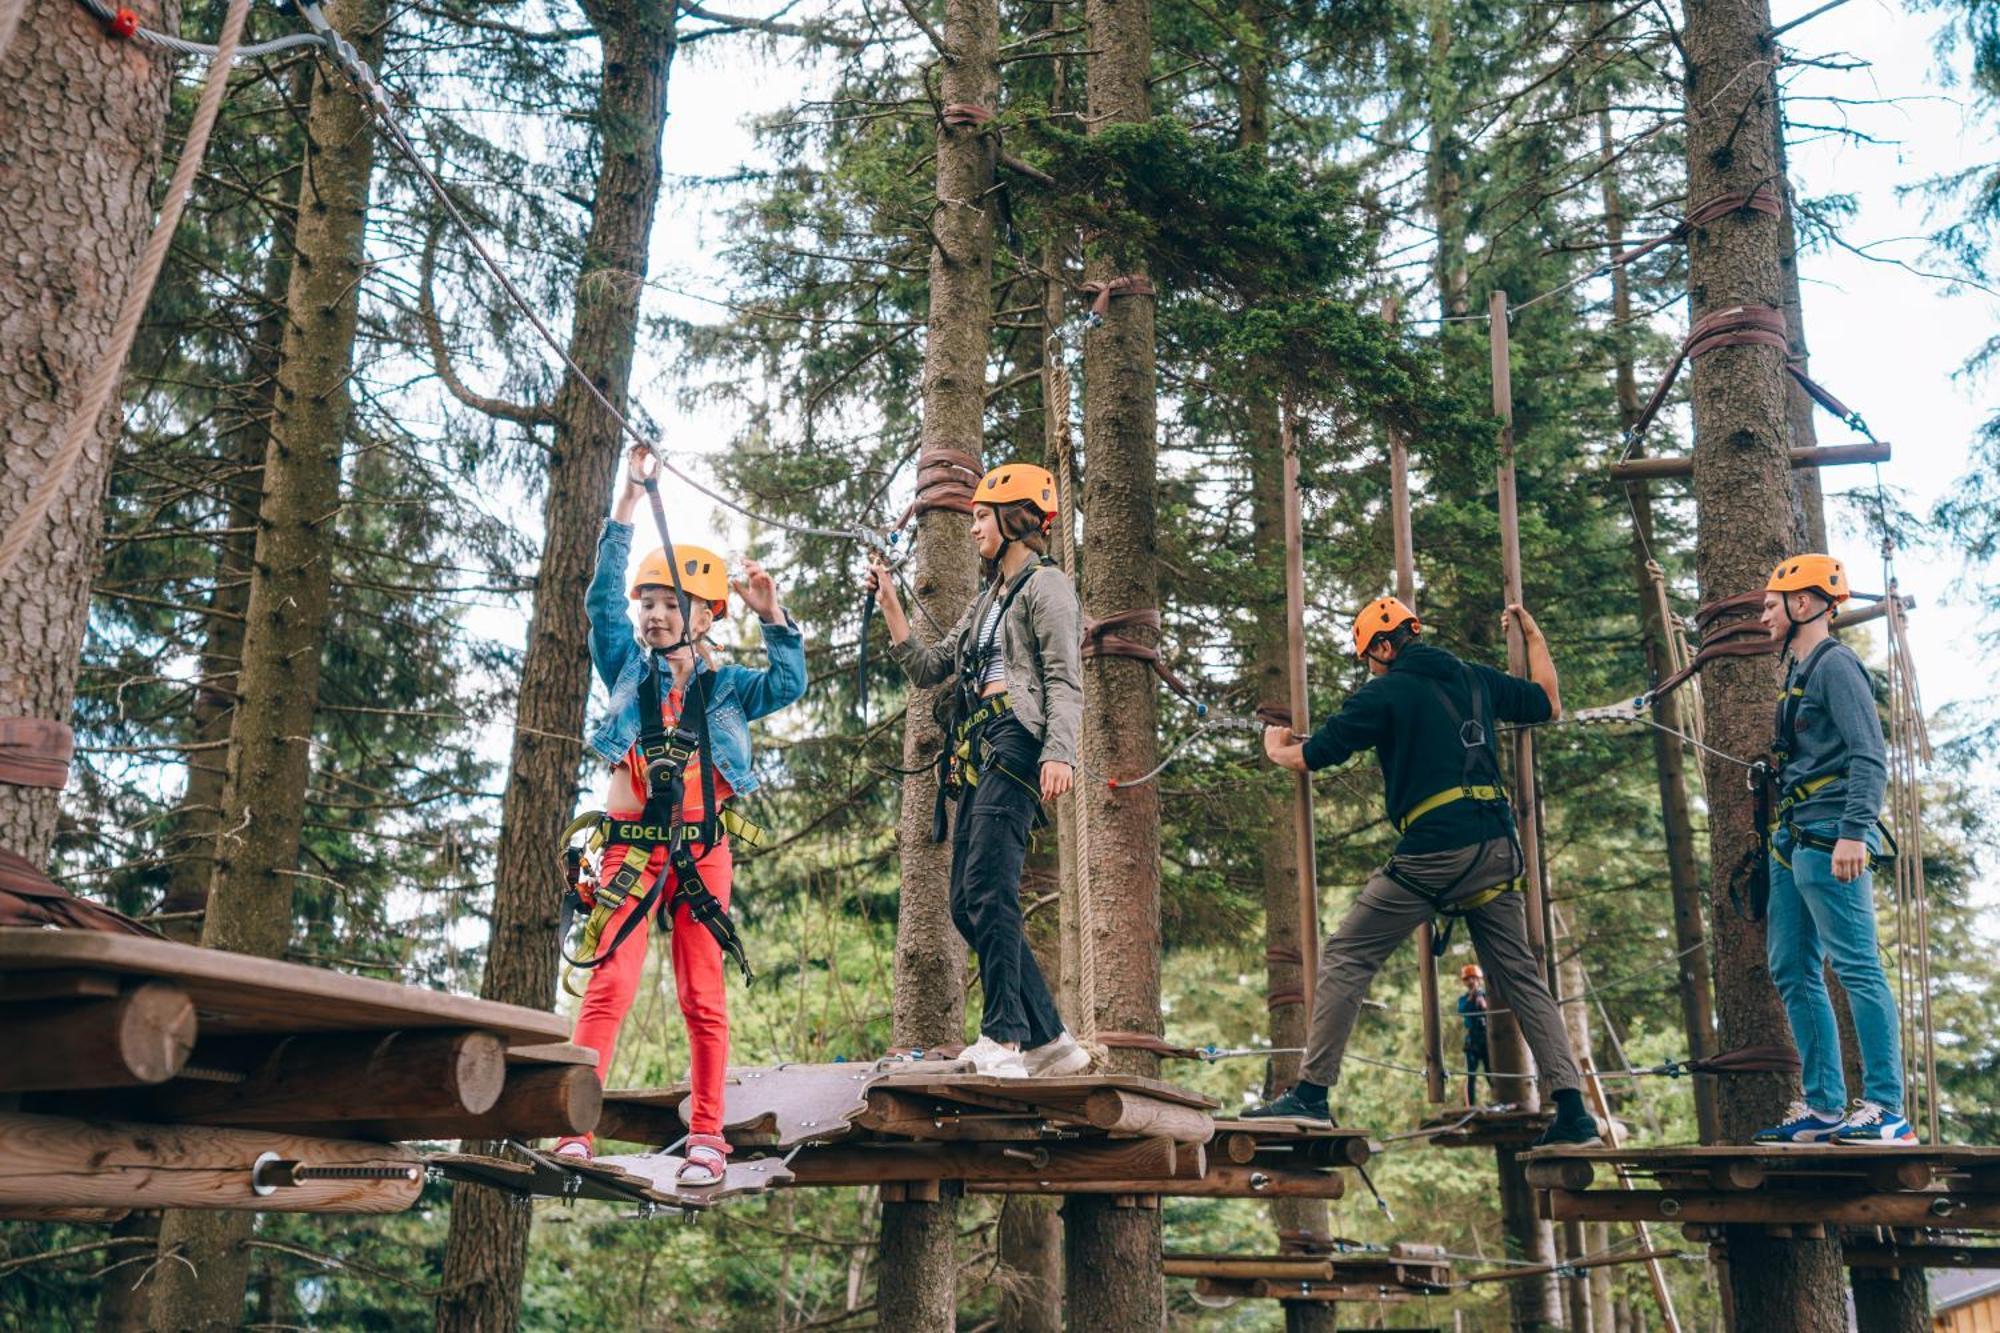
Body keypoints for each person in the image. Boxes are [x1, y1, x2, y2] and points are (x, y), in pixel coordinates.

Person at [1248, 596, 1601, 1148]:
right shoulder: (1478, 680)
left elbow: (1310, 757)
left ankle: (1312, 1095)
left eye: (1369, 654)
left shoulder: (1384, 692)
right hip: (1497, 846)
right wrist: (1533, 639)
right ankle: (1574, 1111)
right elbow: (1548, 703)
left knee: (1347, 953)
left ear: (1386, 647)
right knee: (1521, 978)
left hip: (1437, 850)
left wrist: (1274, 747)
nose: (1369, 665)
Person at [555, 447, 808, 1184]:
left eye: (671, 604)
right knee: (608, 986)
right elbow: (601, 601)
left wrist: (773, 616)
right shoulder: (623, 667)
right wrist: (629, 504)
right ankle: (577, 1127)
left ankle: (706, 1134)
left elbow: (790, 681)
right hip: (630, 851)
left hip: (701, 854)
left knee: (703, 996)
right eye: (650, 604)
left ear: (704, 616)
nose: (655, 615)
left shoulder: (728, 689)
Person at [864, 462, 1089, 1079]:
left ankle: (1005, 1039)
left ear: (1017, 520)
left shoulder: (1049, 588)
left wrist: (1060, 752)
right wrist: (891, 604)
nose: (973, 531)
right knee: (967, 902)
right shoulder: (989, 599)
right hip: (983, 749)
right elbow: (930, 666)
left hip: (1019, 742)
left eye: (982, 518)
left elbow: (1065, 679)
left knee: (989, 891)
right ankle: (1050, 1041)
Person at [1751, 554, 1912, 1146]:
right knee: (1791, 968)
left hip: (1830, 836)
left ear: (1804, 604)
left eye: (1772, 604)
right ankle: (1823, 1110)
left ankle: (1888, 1110)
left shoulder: (1836, 665)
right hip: (1794, 838)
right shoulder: (1797, 672)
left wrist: (1854, 831)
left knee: (1857, 967)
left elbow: (1870, 753)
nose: (1763, 614)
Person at [1458, 963, 1490, 1108]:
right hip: (1472, 1040)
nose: (1471, 981)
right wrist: (1472, 998)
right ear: (1465, 982)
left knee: (1491, 1071)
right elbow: (1462, 1010)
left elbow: (1490, 1012)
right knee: (1471, 1074)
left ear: (1479, 980)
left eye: (1474, 978)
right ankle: (1469, 1105)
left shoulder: (1486, 996)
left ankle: (1499, 1099)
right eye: (1468, 979)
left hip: (1487, 1038)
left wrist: (1484, 1004)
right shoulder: (1464, 999)